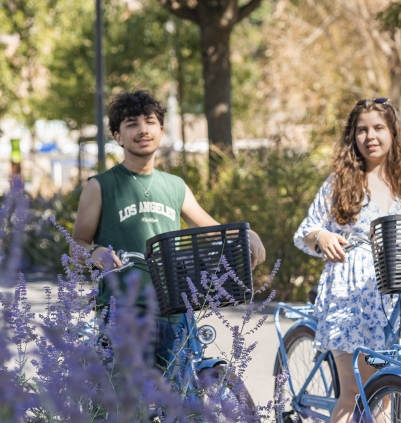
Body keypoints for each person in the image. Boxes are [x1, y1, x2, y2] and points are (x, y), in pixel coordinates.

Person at [73, 90, 266, 369]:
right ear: (118, 136)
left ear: (160, 130)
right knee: (124, 403)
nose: (142, 130)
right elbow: (76, 241)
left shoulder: (175, 185)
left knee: (183, 395)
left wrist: (247, 234)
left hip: (175, 311)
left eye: (150, 122)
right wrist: (94, 252)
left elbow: (209, 228)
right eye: (131, 124)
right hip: (124, 312)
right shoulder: (100, 185)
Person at [293, 97, 401, 423]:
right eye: (362, 129)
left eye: (379, 128)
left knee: (382, 392)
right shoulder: (340, 182)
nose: (370, 136)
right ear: (353, 136)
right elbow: (305, 231)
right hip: (349, 293)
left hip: (395, 292)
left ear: (393, 133)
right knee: (354, 391)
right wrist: (323, 239)